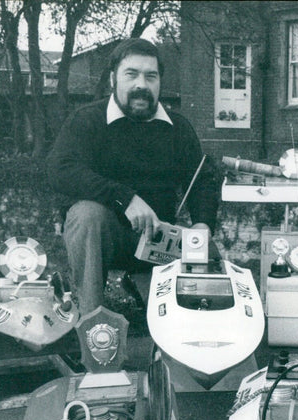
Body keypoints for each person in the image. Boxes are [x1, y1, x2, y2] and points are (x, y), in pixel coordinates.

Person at [47, 38, 219, 315]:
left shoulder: (179, 128)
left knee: (208, 266)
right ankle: (93, 324)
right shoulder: (88, 120)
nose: (142, 84)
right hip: (105, 238)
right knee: (87, 214)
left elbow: (202, 181)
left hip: (161, 240)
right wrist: (125, 198)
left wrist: (202, 224)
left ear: (160, 82)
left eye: (151, 76)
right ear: (113, 78)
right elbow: (60, 169)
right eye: (132, 74)